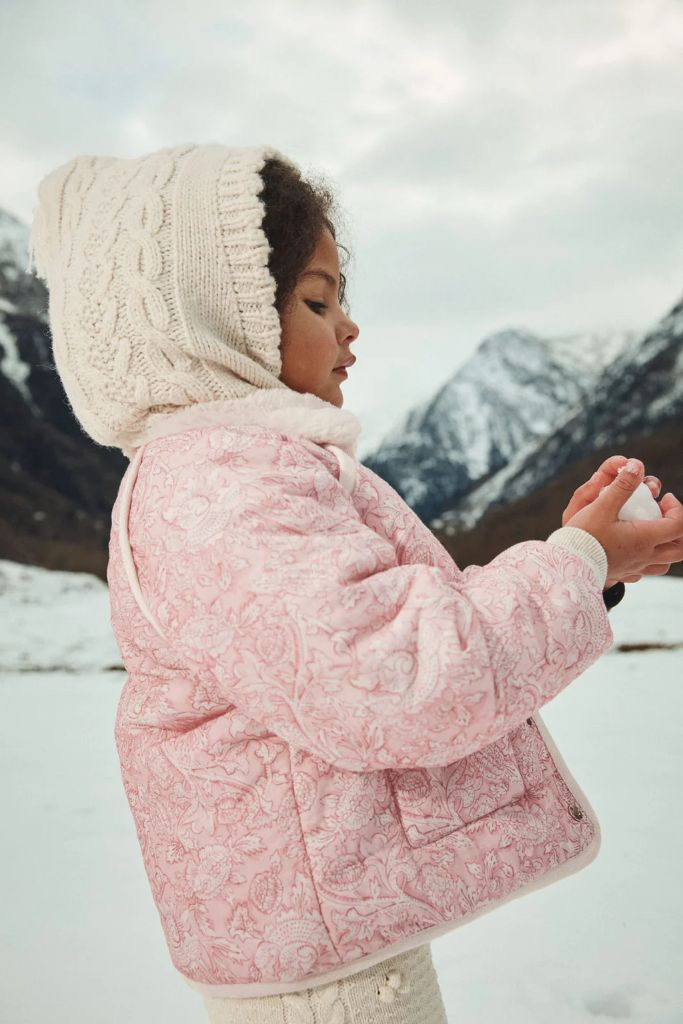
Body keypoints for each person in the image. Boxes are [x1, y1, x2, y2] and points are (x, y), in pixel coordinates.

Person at [29, 144, 683, 1024]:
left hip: (319, 940)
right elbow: (396, 679)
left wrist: (590, 568)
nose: (349, 327)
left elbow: (379, 629)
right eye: (316, 299)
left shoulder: (227, 468)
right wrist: (577, 562)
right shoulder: (223, 481)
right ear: (217, 320)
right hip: (325, 983)